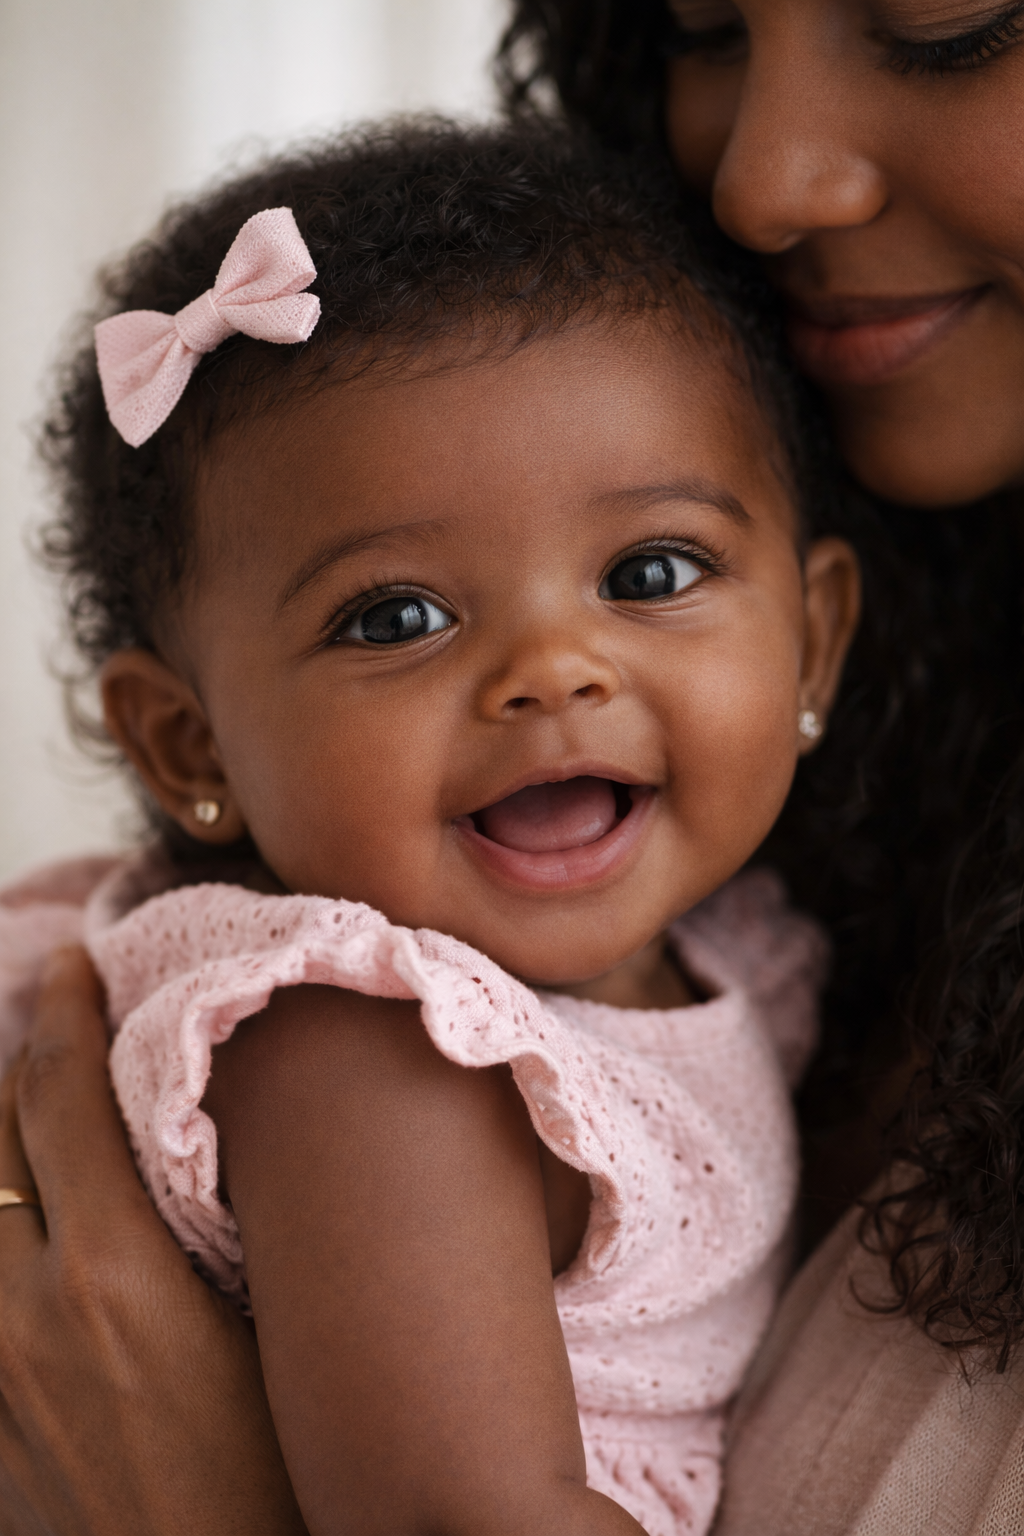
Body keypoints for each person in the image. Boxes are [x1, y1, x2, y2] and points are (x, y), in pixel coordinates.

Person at [2, 5, 1023, 1532]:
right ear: (188, 742)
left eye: (654, 571)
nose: (554, 671)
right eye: (397, 615)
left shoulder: (725, 947)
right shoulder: (383, 1049)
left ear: (814, 642)